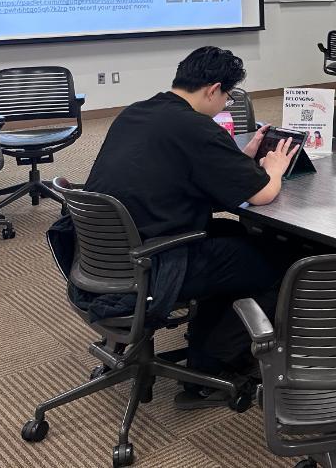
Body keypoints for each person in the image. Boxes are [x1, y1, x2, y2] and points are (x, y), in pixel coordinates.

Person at [80, 46, 298, 407]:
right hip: (158, 259)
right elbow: (261, 194)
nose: (226, 104)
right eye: (226, 95)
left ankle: (208, 351)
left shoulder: (137, 112)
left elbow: (179, 171)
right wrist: (272, 168)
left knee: (237, 237)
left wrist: (239, 160)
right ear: (213, 88)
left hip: (111, 254)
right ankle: (215, 368)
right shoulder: (196, 127)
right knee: (275, 261)